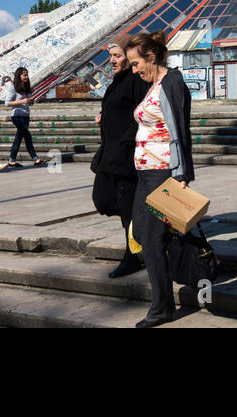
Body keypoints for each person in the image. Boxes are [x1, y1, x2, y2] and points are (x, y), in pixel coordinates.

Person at [126, 31, 195, 327]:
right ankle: (174, 269)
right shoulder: (152, 84)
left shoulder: (172, 83)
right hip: (144, 173)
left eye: (135, 63)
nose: (133, 69)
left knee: (152, 241)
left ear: (151, 58)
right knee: (141, 234)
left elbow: (180, 127)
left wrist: (182, 174)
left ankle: (162, 308)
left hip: (163, 172)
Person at [92, 42, 144, 278]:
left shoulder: (136, 81)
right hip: (109, 153)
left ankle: (132, 256)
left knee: (127, 210)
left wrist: (126, 143)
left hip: (125, 155)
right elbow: (119, 107)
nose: (111, 60)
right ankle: (142, 228)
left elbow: (140, 115)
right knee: (102, 199)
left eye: (117, 56)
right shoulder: (117, 80)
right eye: (110, 56)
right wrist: (105, 115)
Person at [3, 67, 43, 167]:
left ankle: (12, 159)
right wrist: (23, 101)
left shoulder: (26, 87)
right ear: (19, 76)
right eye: (24, 75)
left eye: (27, 75)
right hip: (17, 116)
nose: (26, 77)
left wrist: (31, 101)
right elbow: (7, 103)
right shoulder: (13, 87)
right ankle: (35, 158)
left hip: (26, 116)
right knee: (27, 136)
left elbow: (27, 102)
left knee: (19, 138)